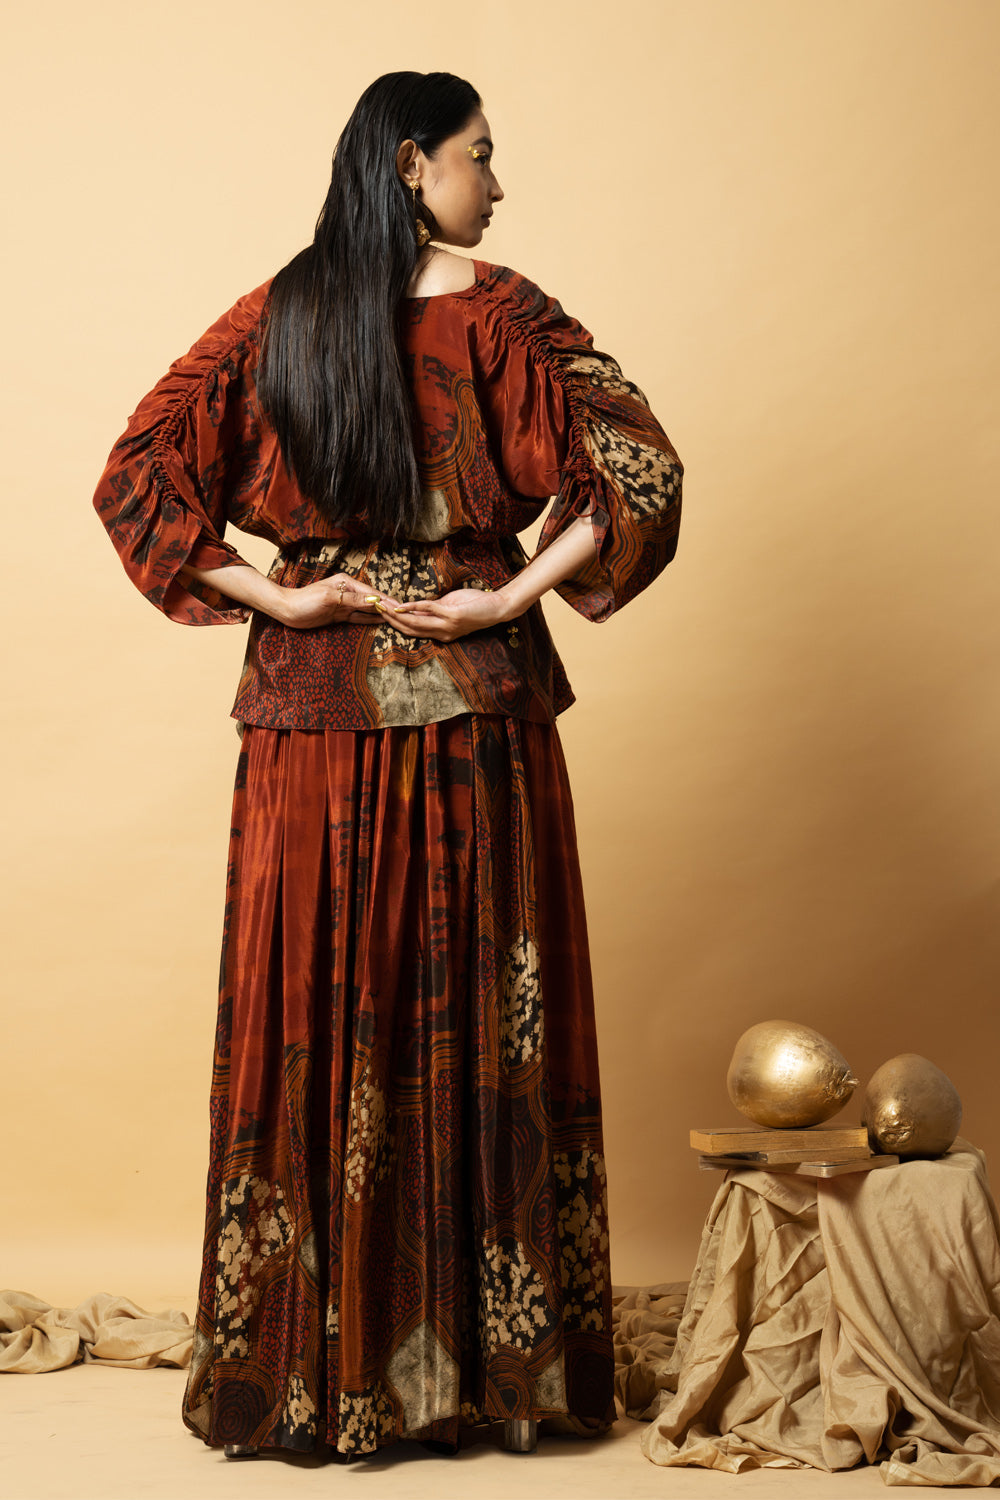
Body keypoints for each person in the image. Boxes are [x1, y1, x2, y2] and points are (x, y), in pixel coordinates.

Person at [93, 71, 682, 1462]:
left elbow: (135, 474)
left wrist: (282, 596)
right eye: (483, 154)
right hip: (478, 710)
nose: (499, 182)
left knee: (319, 1009)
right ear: (414, 163)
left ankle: (314, 1374)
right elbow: (640, 473)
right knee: (485, 1014)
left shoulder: (274, 315)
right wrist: (505, 594)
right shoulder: (507, 315)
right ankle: (495, 1375)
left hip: (310, 720)